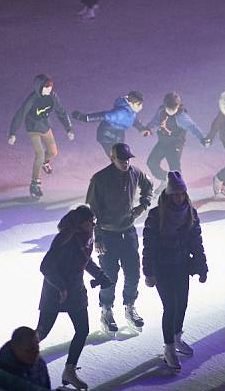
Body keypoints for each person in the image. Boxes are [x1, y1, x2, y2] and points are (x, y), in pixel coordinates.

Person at [36, 205, 112, 391]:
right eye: (89, 223)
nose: (93, 226)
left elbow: (85, 260)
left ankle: (69, 371)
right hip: (55, 293)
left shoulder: (87, 237)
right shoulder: (64, 239)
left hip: (76, 291)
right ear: (80, 223)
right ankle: (13, 361)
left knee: (82, 330)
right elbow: (45, 267)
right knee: (42, 332)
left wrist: (100, 276)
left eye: (93, 222)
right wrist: (61, 287)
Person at [142, 171, 207, 373]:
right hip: (162, 267)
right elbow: (148, 245)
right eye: (175, 194)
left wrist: (201, 265)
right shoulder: (156, 215)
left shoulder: (190, 212)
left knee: (182, 304)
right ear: (168, 195)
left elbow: (196, 241)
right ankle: (169, 347)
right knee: (170, 306)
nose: (178, 197)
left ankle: (177, 337)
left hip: (181, 266)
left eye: (181, 194)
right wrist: (148, 272)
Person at [85, 143, 153, 335]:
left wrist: (143, 205)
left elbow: (148, 186)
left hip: (128, 232)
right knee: (109, 276)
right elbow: (92, 210)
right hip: (107, 235)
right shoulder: (100, 179)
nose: (126, 163)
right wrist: (97, 237)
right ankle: (106, 309)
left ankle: (130, 306)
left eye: (128, 159)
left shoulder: (134, 172)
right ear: (112, 158)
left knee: (133, 273)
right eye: (122, 160)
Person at [8, 74, 74, 199]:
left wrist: (68, 128)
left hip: (44, 126)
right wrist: (13, 133)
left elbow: (61, 112)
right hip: (32, 128)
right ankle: (35, 184)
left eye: (50, 88)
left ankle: (45, 162)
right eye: (46, 88)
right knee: (39, 154)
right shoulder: (32, 99)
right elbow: (20, 114)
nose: (49, 91)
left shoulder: (53, 97)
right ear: (39, 88)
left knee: (53, 152)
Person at [144, 92, 208, 194]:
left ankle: (181, 192)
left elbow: (193, 127)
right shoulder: (161, 111)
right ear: (165, 105)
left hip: (175, 144)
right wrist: (148, 128)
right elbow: (155, 120)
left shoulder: (182, 117)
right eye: (168, 108)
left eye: (173, 108)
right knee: (151, 162)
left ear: (178, 106)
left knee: (174, 169)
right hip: (163, 141)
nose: (170, 111)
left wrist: (202, 139)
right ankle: (166, 179)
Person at [71, 91, 151, 157]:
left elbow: (133, 120)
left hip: (118, 134)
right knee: (116, 155)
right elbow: (104, 116)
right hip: (107, 134)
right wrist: (83, 117)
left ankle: (121, 167)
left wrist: (141, 128)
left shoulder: (131, 112)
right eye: (139, 105)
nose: (141, 107)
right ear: (131, 104)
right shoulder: (121, 113)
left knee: (122, 153)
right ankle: (117, 166)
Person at [0, 326, 51, 390]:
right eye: (29, 350)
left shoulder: (39, 364)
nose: (35, 354)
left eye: (37, 349)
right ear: (15, 347)